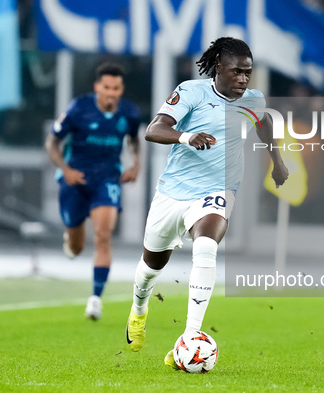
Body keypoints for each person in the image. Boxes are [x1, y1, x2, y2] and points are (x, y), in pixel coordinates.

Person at [124, 37, 289, 368]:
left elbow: (265, 123)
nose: (244, 79)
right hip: (173, 192)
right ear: (219, 68)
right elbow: (155, 129)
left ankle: (190, 336)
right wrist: (187, 136)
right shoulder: (191, 92)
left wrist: (277, 160)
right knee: (150, 269)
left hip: (218, 189)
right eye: (237, 72)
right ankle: (139, 309)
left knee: (206, 247)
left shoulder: (252, 99)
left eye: (249, 72)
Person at [45, 62, 141, 321]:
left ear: (121, 90)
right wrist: (64, 169)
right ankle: (71, 240)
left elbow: (133, 140)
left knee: (102, 235)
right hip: (75, 178)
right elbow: (52, 142)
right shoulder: (79, 108)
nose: (111, 93)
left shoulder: (130, 113)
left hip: (108, 178)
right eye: (107, 88)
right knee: (76, 246)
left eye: (116, 88)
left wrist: (136, 164)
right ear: (98, 87)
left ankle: (95, 298)